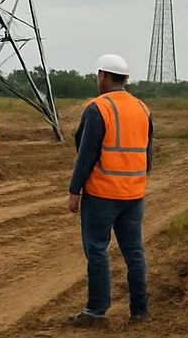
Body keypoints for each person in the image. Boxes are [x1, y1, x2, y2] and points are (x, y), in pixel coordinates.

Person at [65, 54, 153, 328]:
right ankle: (140, 311)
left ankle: (96, 311)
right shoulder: (142, 108)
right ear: (125, 79)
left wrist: (74, 190)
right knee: (134, 252)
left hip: (102, 193)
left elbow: (86, 153)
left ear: (103, 75)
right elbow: (147, 154)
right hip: (134, 194)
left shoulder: (98, 108)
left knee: (97, 250)